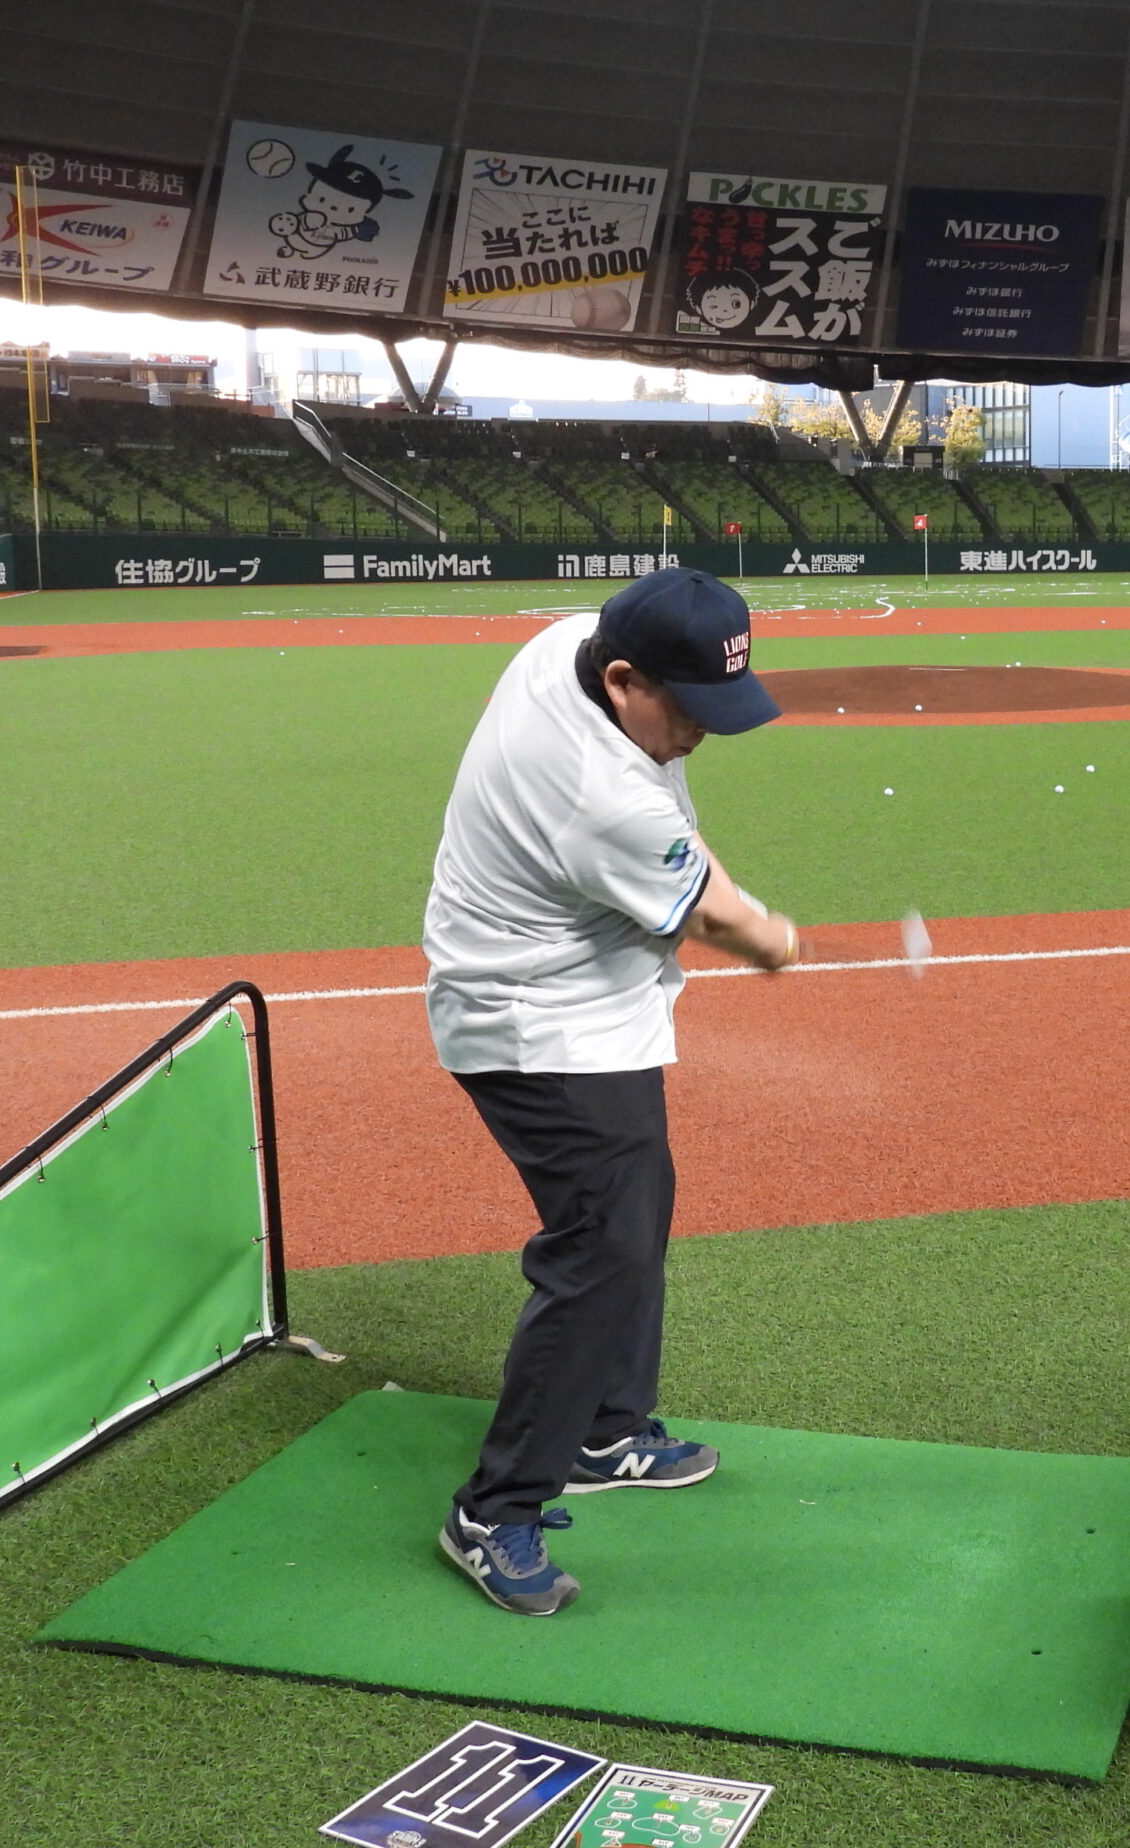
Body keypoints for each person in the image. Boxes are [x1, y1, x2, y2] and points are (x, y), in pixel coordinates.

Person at [422, 568, 800, 1615]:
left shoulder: (570, 643)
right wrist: (775, 937)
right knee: (602, 1249)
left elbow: (678, 846)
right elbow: (716, 918)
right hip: (534, 1022)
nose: (704, 729)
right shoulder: (597, 794)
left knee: (634, 1214)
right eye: (689, 706)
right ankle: (494, 1509)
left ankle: (602, 1428)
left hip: (581, 997)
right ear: (625, 679)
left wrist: (727, 897)